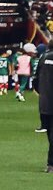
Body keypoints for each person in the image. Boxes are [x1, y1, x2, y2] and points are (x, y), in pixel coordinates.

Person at [35, 44, 53, 172]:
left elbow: (35, 80)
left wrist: (43, 93)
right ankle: (51, 163)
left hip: (45, 103)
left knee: (50, 132)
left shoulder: (43, 57)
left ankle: (51, 164)